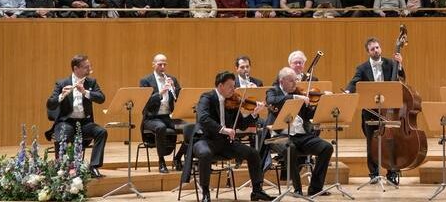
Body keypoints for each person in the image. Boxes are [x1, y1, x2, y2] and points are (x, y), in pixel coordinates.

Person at [188, 72, 273, 202]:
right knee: (204, 153)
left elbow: (242, 125)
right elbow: (203, 118)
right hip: (205, 140)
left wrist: (254, 114)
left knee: (253, 153)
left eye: (234, 86)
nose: (234, 89)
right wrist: (223, 129)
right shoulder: (207, 97)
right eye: (230, 86)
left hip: (224, 143)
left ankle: (257, 190)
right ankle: (205, 192)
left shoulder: (231, 101)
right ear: (220, 86)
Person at [344, 37, 405, 184]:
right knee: (371, 143)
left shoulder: (391, 63)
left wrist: (401, 65)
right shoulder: (362, 68)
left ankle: (392, 172)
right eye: (372, 49)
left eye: (377, 47)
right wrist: (347, 92)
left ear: (380, 48)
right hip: (370, 111)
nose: (376, 50)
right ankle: (373, 173)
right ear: (368, 52)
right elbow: (355, 82)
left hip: (389, 111)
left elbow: (401, 80)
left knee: (391, 142)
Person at [265, 67, 333, 197]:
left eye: (295, 80)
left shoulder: (299, 93)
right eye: (291, 81)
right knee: (290, 148)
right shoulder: (273, 92)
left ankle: (315, 188)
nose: (295, 84)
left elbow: (309, 114)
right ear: (282, 81)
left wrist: (323, 102)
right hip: (280, 136)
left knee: (326, 148)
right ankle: (297, 188)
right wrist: (295, 97)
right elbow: (271, 101)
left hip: (301, 135)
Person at [45, 55, 108, 178]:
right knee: (63, 133)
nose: (89, 69)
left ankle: (94, 167)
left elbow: (101, 98)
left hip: (84, 123)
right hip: (66, 122)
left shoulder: (91, 82)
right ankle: (62, 168)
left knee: (101, 132)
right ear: (76, 68)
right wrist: (61, 96)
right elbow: (50, 104)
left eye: (89, 66)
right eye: (86, 67)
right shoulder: (62, 83)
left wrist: (85, 92)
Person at [139, 54, 183, 173]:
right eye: (160, 64)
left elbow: (180, 97)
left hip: (167, 116)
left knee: (189, 128)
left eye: (164, 64)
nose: (162, 67)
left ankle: (178, 158)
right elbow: (144, 101)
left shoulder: (172, 79)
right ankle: (161, 161)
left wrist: (174, 88)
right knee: (161, 127)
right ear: (153, 64)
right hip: (151, 118)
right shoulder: (146, 80)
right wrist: (161, 92)